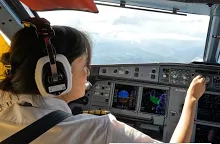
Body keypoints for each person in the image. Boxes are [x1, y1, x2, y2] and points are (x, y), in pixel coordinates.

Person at [0, 18, 207, 143]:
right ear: (56, 75)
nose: (88, 72)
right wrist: (190, 100)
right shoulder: (99, 131)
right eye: (84, 65)